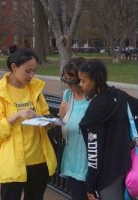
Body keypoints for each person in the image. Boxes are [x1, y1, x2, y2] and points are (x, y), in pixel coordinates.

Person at [78, 59, 138, 200]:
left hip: (107, 174)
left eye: (83, 81)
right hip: (127, 165)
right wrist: (128, 131)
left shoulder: (96, 108)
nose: (80, 85)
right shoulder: (120, 96)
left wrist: (90, 185)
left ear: (95, 80)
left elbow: (94, 151)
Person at [0, 48, 57, 200]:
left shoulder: (35, 89)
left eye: (34, 71)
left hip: (39, 160)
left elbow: (44, 113)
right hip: (13, 163)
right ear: (14, 67)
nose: (31, 75)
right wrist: (16, 115)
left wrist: (48, 122)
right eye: (27, 71)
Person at [58, 57, 89, 200]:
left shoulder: (95, 97)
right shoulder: (67, 95)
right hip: (73, 160)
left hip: (92, 163)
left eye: (72, 79)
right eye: (65, 79)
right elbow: (64, 125)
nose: (68, 84)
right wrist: (60, 116)